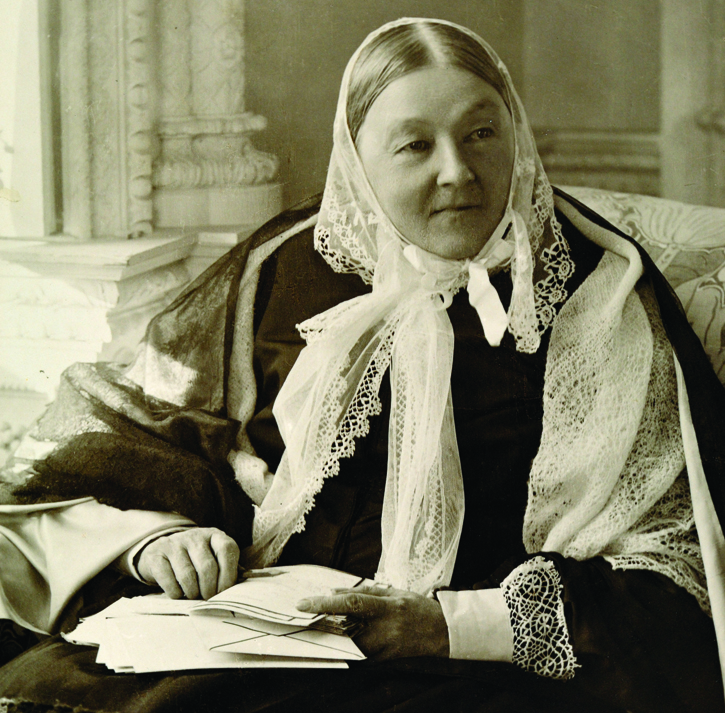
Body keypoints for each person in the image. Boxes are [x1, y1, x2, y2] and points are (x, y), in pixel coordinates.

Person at [0, 16, 723, 713]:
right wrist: (160, 538)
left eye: (480, 133)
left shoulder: (595, 295)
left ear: (516, 134)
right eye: (414, 145)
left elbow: (671, 561)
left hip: (471, 662)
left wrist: (446, 625)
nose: (457, 172)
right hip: (261, 635)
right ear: (356, 157)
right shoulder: (286, 266)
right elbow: (128, 435)